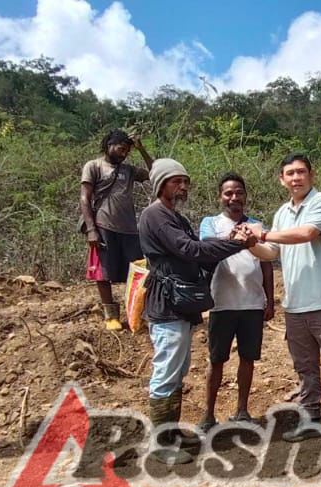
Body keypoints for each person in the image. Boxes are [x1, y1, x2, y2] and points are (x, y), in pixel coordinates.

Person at [137, 159, 254, 464]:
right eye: (176, 181)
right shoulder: (156, 216)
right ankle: (161, 444)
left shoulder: (173, 217)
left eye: (185, 181)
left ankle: (171, 434)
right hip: (167, 305)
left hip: (179, 305)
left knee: (178, 370)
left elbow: (199, 250)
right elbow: (190, 250)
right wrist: (236, 245)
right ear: (161, 184)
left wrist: (229, 243)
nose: (183, 187)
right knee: (166, 372)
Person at [246, 154, 321, 450]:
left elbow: (308, 233)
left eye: (301, 172)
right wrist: (250, 243)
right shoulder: (282, 212)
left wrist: (264, 233)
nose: (296, 178)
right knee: (305, 367)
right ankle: (310, 420)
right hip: (295, 304)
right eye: (290, 173)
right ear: (281, 179)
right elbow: (272, 252)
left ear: (312, 174)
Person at [196, 173, 275, 430]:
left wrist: (270, 300)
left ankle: (242, 410)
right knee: (216, 359)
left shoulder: (257, 226)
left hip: (252, 304)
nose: (234, 197)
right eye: (228, 193)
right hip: (221, 303)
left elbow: (266, 264)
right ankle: (208, 414)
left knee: (247, 359)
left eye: (239, 192)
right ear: (220, 197)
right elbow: (206, 247)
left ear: (246, 196)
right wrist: (232, 239)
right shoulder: (210, 223)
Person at [79, 129, 153, 331]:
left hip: (129, 228)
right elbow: (85, 198)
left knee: (138, 272)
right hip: (103, 225)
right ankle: (111, 316)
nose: (124, 153)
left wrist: (142, 149)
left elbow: (155, 173)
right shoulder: (93, 166)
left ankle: (135, 314)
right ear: (109, 145)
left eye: (127, 151)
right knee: (103, 273)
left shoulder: (129, 170)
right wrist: (91, 229)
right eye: (121, 149)